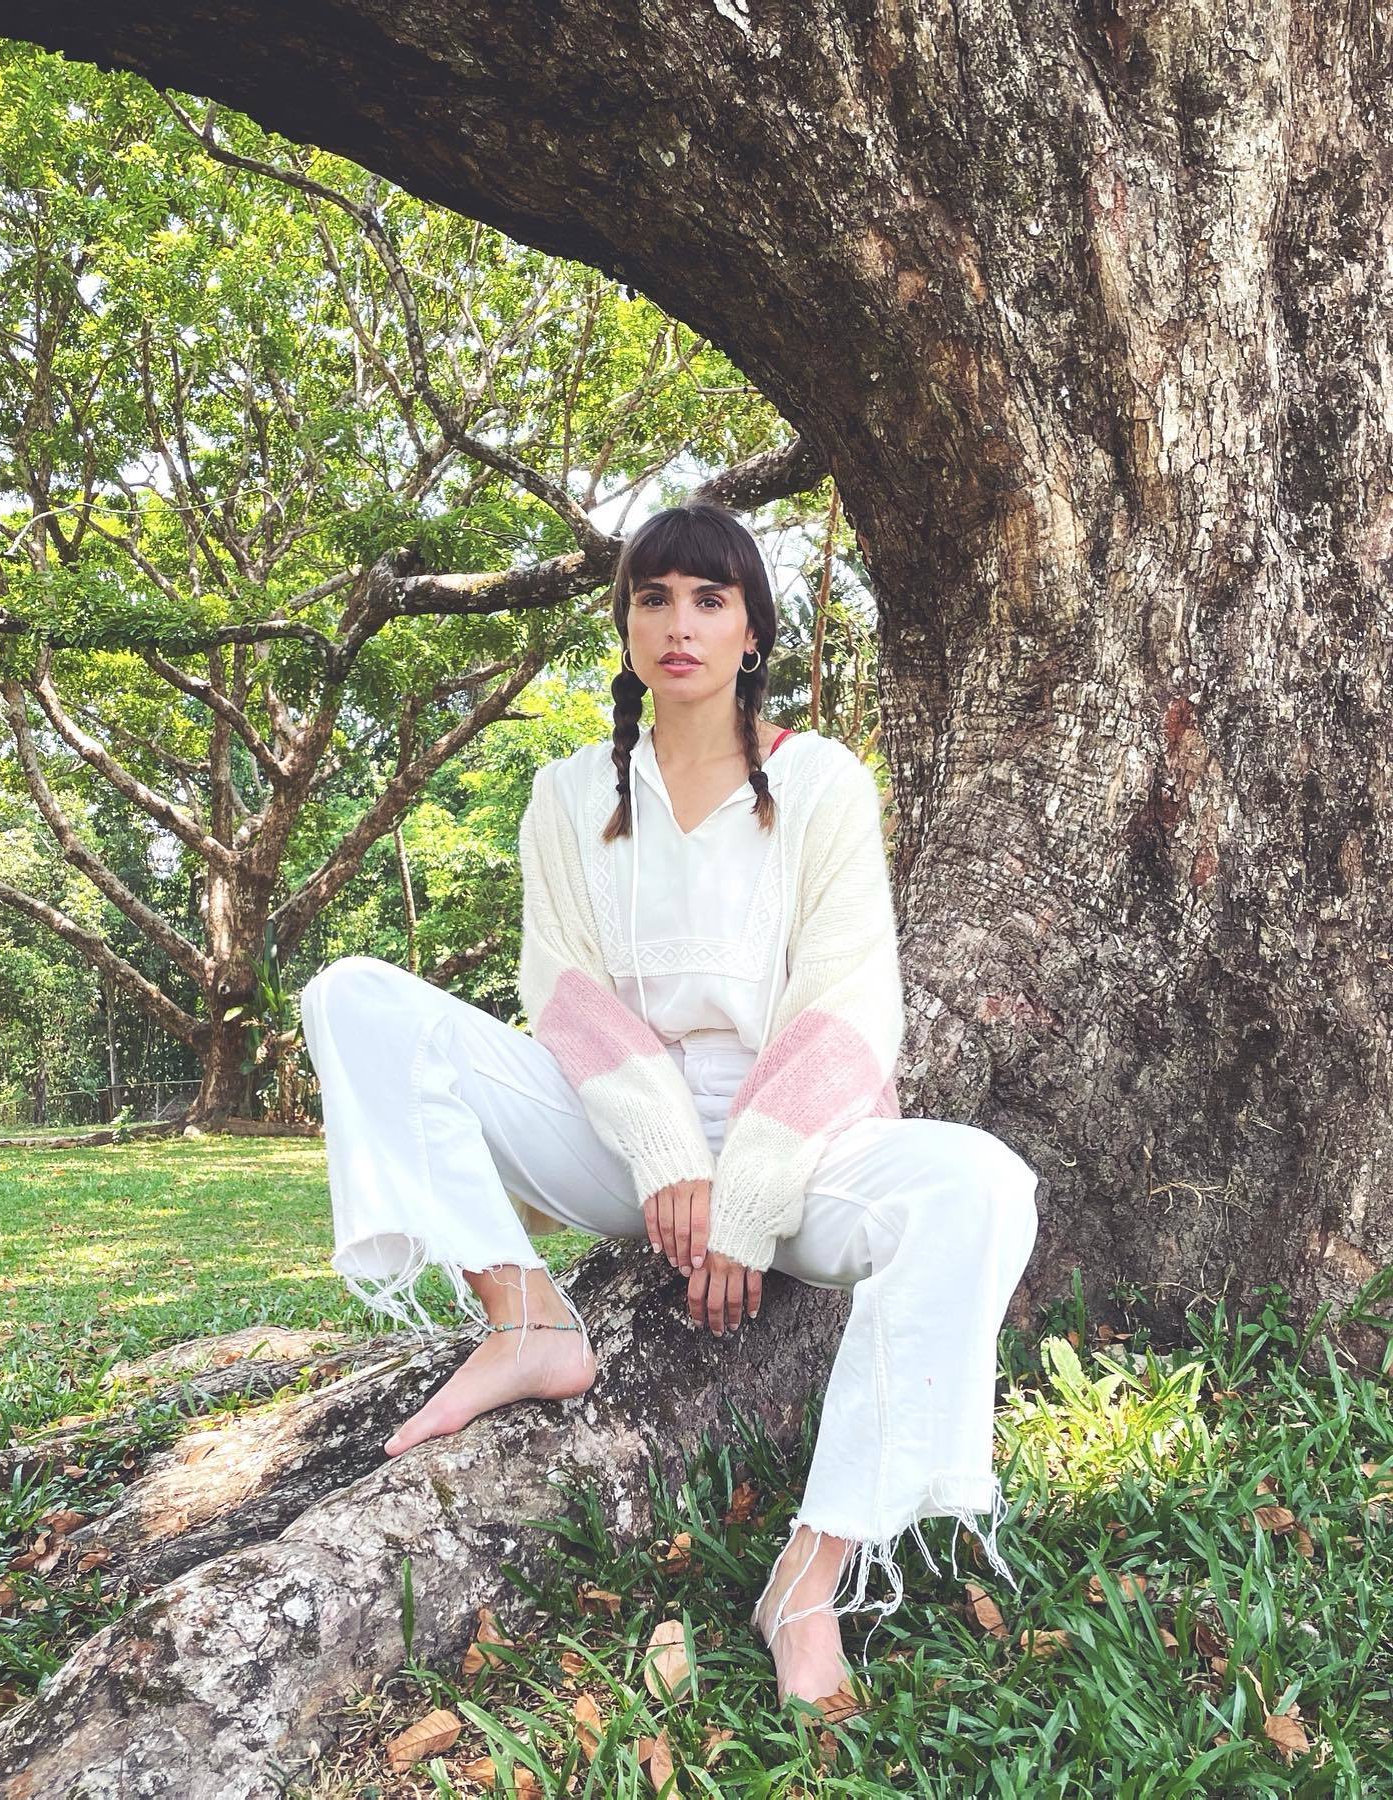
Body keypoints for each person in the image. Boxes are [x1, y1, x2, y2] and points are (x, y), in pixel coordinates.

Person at [300, 499, 1039, 1712]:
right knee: (352, 997)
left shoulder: (822, 785)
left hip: (800, 1152)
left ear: (753, 630)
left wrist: (744, 1195)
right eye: (654, 599)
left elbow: (849, 1005)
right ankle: (525, 1318)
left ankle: (812, 1577)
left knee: (984, 1185)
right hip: (617, 1139)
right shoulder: (567, 795)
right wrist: (665, 1158)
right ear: (628, 627)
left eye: (709, 599)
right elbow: (565, 995)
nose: (680, 624)